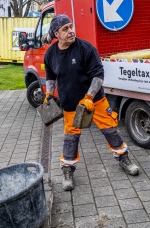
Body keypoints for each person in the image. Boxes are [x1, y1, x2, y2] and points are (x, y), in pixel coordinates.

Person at [43, 14, 139, 191]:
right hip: (70, 104)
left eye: (71, 26)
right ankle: (68, 169)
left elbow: (98, 75)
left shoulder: (86, 49)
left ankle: (123, 158)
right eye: (66, 29)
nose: (71, 31)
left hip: (96, 101)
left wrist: (88, 97)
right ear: (56, 33)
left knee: (110, 130)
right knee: (70, 138)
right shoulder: (51, 53)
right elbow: (50, 75)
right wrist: (49, 92)